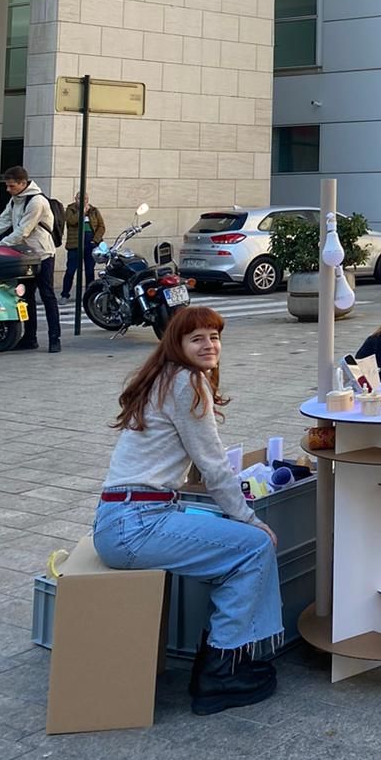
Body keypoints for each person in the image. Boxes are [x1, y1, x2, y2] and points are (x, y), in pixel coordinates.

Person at [93, 306, 283, 716]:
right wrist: (250, 518)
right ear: (177, 346)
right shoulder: (186, 381)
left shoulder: (163, 379)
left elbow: (195, 458)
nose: (209, 344)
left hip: (123, 517)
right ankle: (220, 670)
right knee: (253, 546)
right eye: (197, 338)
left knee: (234, 541)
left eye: (214, 337)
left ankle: (228, 654)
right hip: (138, 524)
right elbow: (214, 466)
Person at [0, 166, 60, 353]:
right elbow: (3, 221)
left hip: (42, 255)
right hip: (25, 255)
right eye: (7, 186)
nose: (8, 189)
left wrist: (0, 244)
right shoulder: (15, 200)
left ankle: (54, 339)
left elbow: (23, 231)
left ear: (23, 183)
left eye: (11, 186)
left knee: (47, 295)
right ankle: (30, 338)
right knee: (26, 296)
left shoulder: (37, 201)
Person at [62, 192, 106, 301]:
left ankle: (89, 295)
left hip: (90, 243)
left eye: (85, 198)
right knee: (71, 270)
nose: (83, 200)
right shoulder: (70, 209)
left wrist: (95, 240)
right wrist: (82, 212)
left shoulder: (94, 210)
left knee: (89, 270)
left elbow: (101, 226)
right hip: (75, 244)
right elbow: (71, 221)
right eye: (80, 198)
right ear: (75, 199)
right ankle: (65, 294)